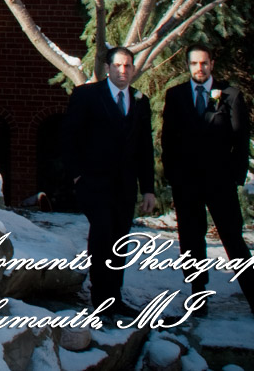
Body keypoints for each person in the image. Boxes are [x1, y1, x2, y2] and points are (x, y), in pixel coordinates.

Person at [162, 46, 254, 327]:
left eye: (204, 63)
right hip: (187, 183)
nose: (199, 68)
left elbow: (241, 139)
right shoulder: (175, 95)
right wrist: (174, 176)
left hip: (220, 182)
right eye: (194, 63)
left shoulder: (231, 95)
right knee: (190, 240)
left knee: (233, 239)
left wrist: (235, 177)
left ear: (212, 63)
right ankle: (198, 298)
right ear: (188, 66)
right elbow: (168, 140)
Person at [66, 46, 158, 317]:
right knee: (102, 235)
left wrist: (148, 189)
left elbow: (144, 147)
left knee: (119, 240)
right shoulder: (87, 95)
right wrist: (77, 174)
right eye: (117, 65)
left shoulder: (140, 101)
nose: (123, 70)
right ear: (107, 68)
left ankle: (115, 296)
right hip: (94, 181)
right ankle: (100, 298)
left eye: (127, 65)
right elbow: (69, 136)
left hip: (125, 184)